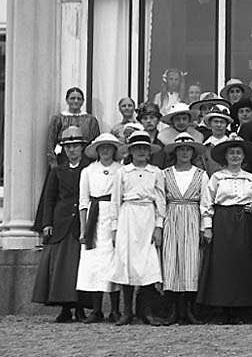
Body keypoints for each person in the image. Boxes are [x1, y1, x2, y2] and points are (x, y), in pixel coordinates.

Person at [199, 136, 252, 322]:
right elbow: (206, 204)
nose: (235, 156)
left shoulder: (250, 178)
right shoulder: (217, 178)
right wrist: (208, 228)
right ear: (225, 157)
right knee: (222, 263)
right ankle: (221, 308)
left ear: (243, 157)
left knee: (242, 262)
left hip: (245, 223)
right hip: (223, 222)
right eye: (232, 153)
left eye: (238, 153)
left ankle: (241, 308)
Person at [109, 131, 165, 326]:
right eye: (137, 148)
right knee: (127, 262)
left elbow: (160, 201)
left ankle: (147, 311)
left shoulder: (156, 172)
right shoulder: (122, 173)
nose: (141, 151)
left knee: (148, 262)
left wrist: (158, 226)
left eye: (144, 148)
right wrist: (115, 228)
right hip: (128, 216)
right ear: (130, 151)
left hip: (147, 215)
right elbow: (115, 201)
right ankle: (127, 311)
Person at [32, 126, 88, 322]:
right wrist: (47, 222)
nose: (72, 150)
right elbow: (49, 197)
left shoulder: (89, 169)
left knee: (80, 267)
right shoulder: (58, 170)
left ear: (82, 147)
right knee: (61, 268)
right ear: (64, 149)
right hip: (61, 221)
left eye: (75, 146)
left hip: (81, 222)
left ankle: (80, 307)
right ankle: (65, 308)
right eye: (68, 147)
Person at [159, 133, 208, 325]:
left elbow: (205, 202)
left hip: (192, 216)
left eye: (188, 149)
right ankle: (173, 310)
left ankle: (188, 310)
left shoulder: (201, 175)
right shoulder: (165, 174)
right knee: (171, 261)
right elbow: (161, 201)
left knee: (191, 261)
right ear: (175, 152)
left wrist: (205, 226)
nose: (185, 153)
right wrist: (160, 225)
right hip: (172, 216)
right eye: (181, 150)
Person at [76, 132, 123, 322]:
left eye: (109, 147)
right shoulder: (88, 171)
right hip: (93, 219)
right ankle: (96, 310)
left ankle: (115, 310)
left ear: (114, 150)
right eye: (101, 147)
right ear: (97, 150)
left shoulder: (120, 170)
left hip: (113, 215)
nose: (105, 150)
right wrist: (83, 228)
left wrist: (117, 226)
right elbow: (83, 201)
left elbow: (120, 199)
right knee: (94, 264)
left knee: (113, 263)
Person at [46, 86, 101, 169]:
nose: (76, 101)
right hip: (63, 158)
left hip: (86, 160)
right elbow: (50, 142)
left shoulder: (91, 120)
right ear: (67, 100)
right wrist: (52, 161)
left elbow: (95, 142)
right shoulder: (58, 119)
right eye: (72, 98)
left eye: (79, 99)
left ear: (83, 101)